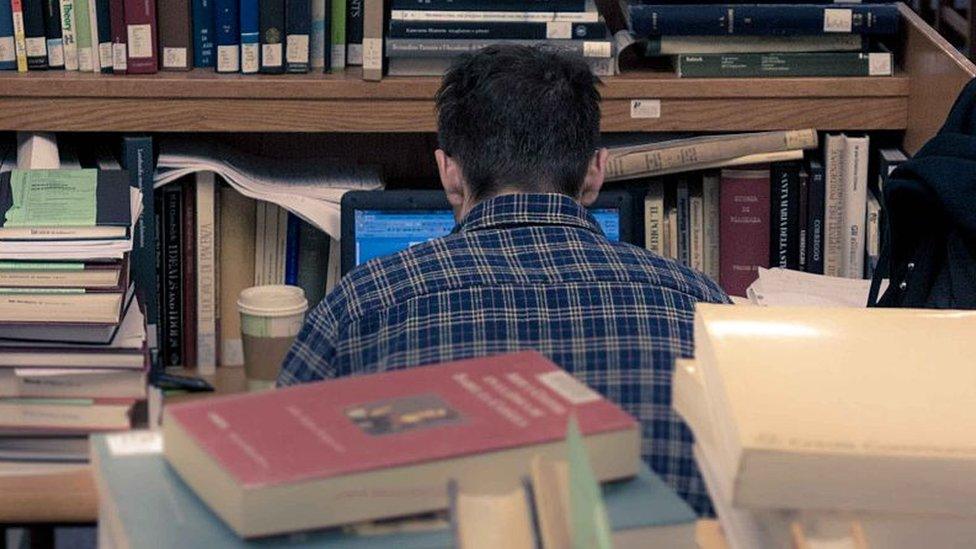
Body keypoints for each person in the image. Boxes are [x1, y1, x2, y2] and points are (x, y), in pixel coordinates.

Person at [278, 45, 729, 514]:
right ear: (596, 171)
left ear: (449, 173)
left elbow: (273, 485)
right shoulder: (702, 310)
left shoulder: (359, 307)